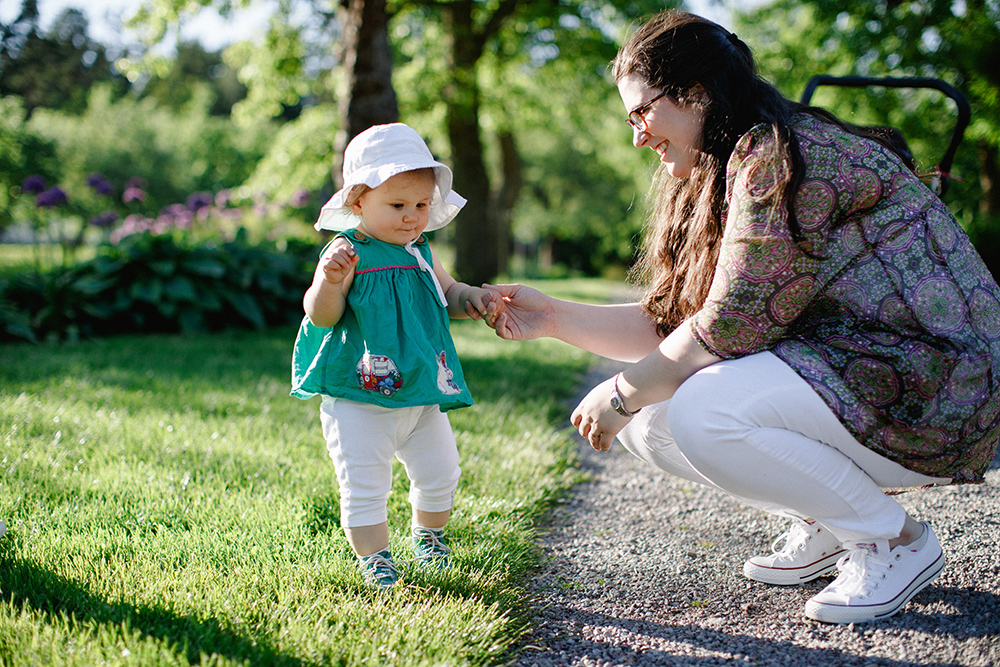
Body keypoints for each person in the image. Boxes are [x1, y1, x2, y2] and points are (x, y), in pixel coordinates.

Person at [487, 10, 1000, 624]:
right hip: (866, 372)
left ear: (696, 94)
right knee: (651, 420)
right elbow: (681, 324)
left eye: (641, 112)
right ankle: (831, 516)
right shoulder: (727, 162)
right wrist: (553, 318)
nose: (638, 136)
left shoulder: (780, 157)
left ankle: (893, 539)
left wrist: (621, 392)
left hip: (944, 387)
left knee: (705, 409)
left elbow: (726, 329)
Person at [291, 123, 501, 589]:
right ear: (358, 202)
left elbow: (448, 291)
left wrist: (475, 300)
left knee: (442, 472)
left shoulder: (420, 249)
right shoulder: (348, 252)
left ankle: (429, 537)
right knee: (366, 485)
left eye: (422, 205)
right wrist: (328, 281)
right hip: (359, 395)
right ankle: (376, 559)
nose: (412, 217)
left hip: (421, 390)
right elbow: (321, 316)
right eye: (398, 205)